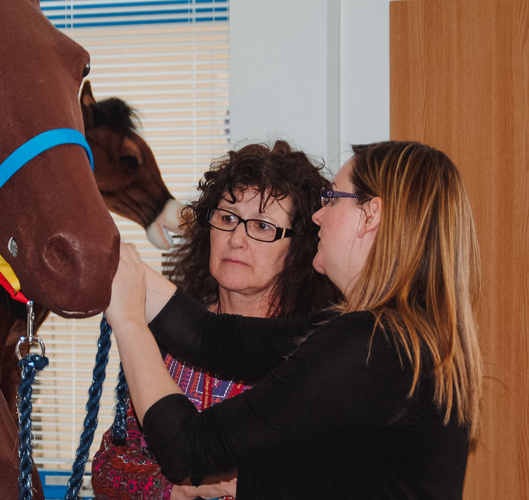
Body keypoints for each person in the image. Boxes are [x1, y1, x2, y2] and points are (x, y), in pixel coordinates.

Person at [104, 141, 484, 500]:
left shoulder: (371, 347)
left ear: (370, 215)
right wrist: (111, 261)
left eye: (332, 198)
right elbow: (209, 337)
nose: (319, 215)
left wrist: (128, 321)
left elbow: (187, 448)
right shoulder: (385, 336)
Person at [91, 141, 339, 500]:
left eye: (262, 226)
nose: (236, 239)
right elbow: (107, 469)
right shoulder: (169, 337)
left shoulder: (313, 353)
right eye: (227, 218)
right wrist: (178, 489)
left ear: (298, 249)